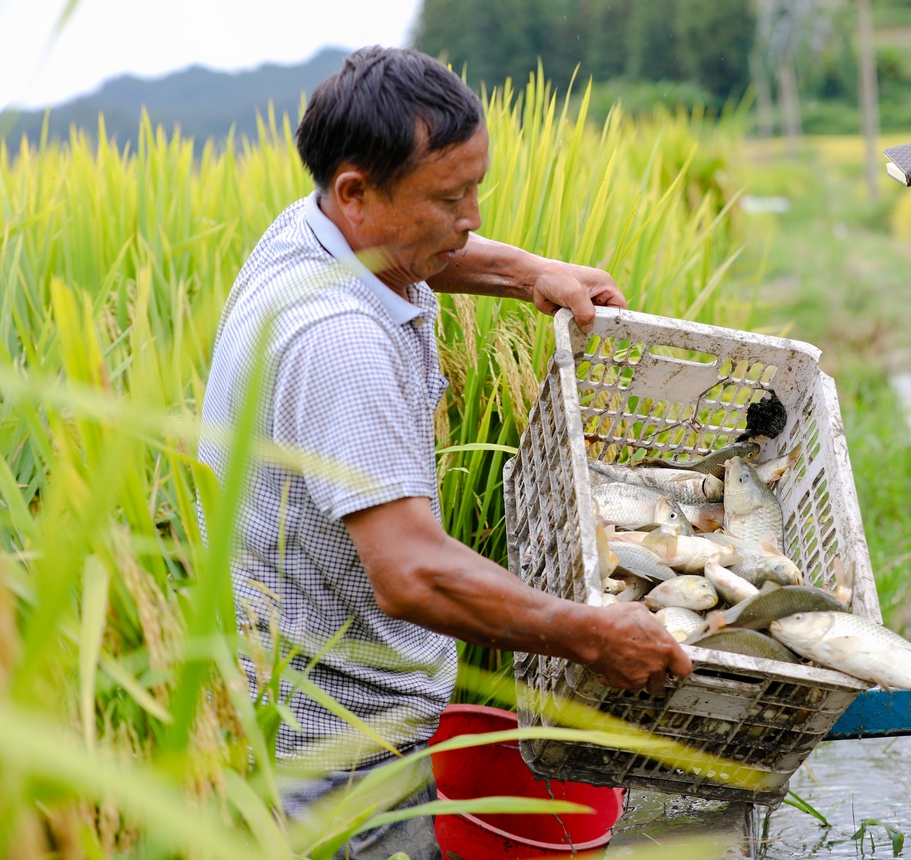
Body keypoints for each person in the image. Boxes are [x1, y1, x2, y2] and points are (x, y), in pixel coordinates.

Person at [197, 45, 692, 858]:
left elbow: (421, 245)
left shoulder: (315, 232)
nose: (470, 218)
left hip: (302, 703)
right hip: (341, 752)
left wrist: (529, 271)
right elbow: (411, 572)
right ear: (356, 190)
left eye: (476, 190)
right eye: (450, 197)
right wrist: (589, 633)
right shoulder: (340, 346)